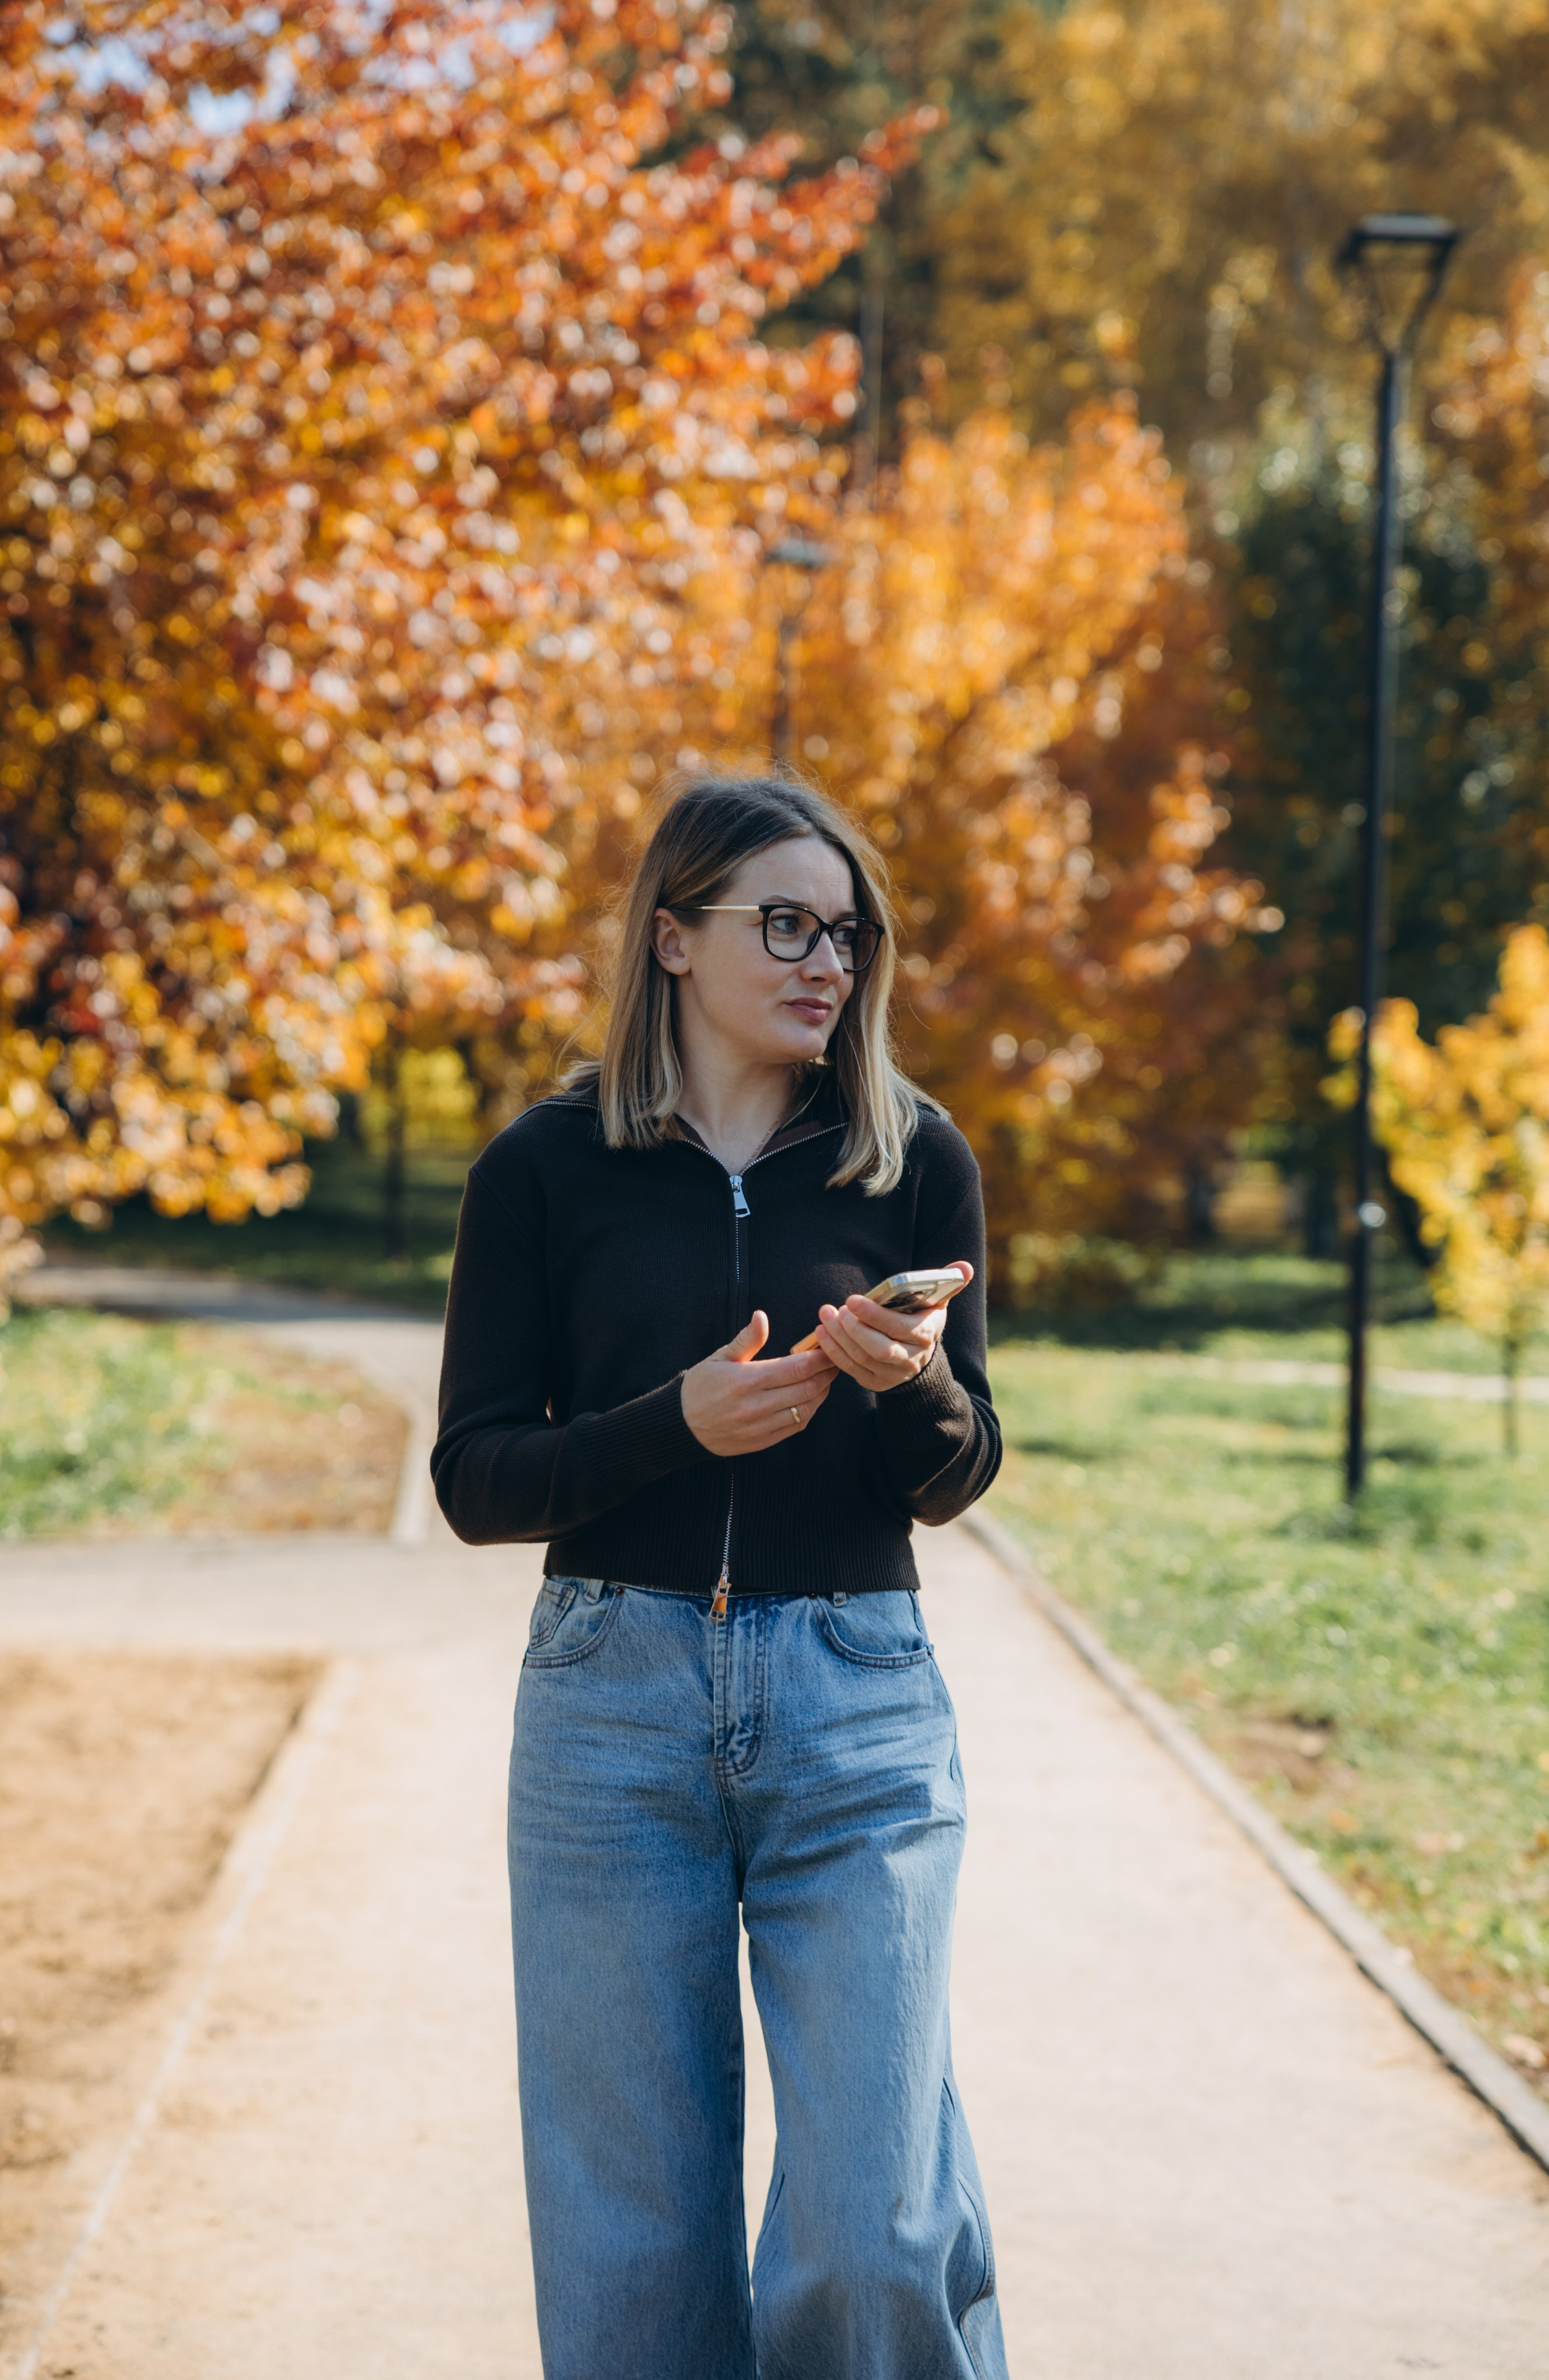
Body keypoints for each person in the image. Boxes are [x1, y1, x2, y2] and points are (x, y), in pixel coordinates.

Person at [432, 771, 1009, 2380]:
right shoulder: (543, 1170)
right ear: (674, 938)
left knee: (873, 2222)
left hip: (858, 1705)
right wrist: (670, 1425)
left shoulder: (913, 1160)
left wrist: (915, 1382)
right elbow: (474, 1477)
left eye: (849, 932)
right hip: (611, 1712)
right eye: (787, 925)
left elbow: (958, 1474)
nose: (829, 961)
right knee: (631, 2251)